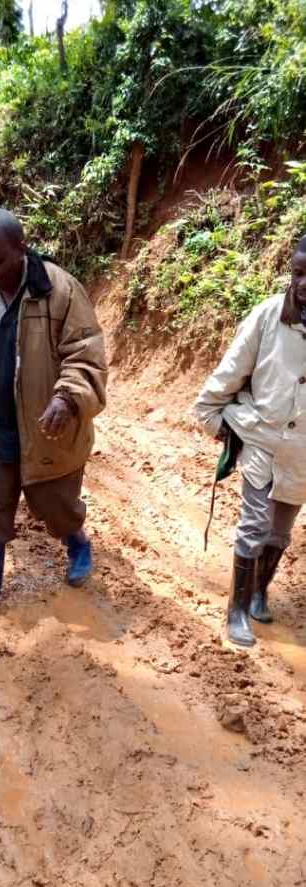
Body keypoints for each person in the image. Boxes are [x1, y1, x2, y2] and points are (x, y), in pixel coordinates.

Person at [0, 208, 107, 617]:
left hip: (48, 430)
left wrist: (67, 398)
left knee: (55, 506)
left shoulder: (60, 291)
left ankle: (77, 542)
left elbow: (85, 354)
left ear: (21, 248)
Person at [194, 236, 306, 647]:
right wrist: (212, 417)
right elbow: (231, 371)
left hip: (302, 452)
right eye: (298, 273)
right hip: (262, 438)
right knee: (255, 524)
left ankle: (259, 590)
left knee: (280, 531)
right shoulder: (268, 316)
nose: (302, 283)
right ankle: (236, 610)